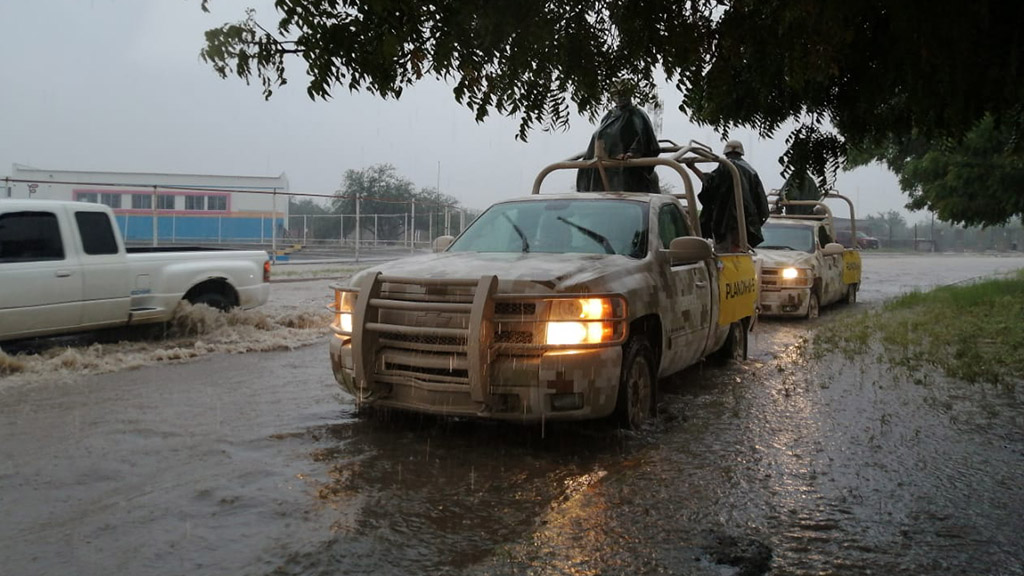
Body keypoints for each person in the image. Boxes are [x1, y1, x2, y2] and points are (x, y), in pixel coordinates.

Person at [576, 80, 660, 193]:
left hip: (624, 170)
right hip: (602, 166)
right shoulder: (609, 115)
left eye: (623, 92)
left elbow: (643, 138)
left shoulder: (636, 114)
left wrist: (632, 154)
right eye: (615, 93)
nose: (619, 97)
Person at [692, 140, 770, 250]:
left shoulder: (725, 166)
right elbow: (762, 205)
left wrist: (693, 168)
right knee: (738, 252)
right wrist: (753, 225)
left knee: (725, 254)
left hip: (726, 225)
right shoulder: (751, 171)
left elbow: (710, 183)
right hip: (745, 224)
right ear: (741, 153)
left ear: (726, 152)